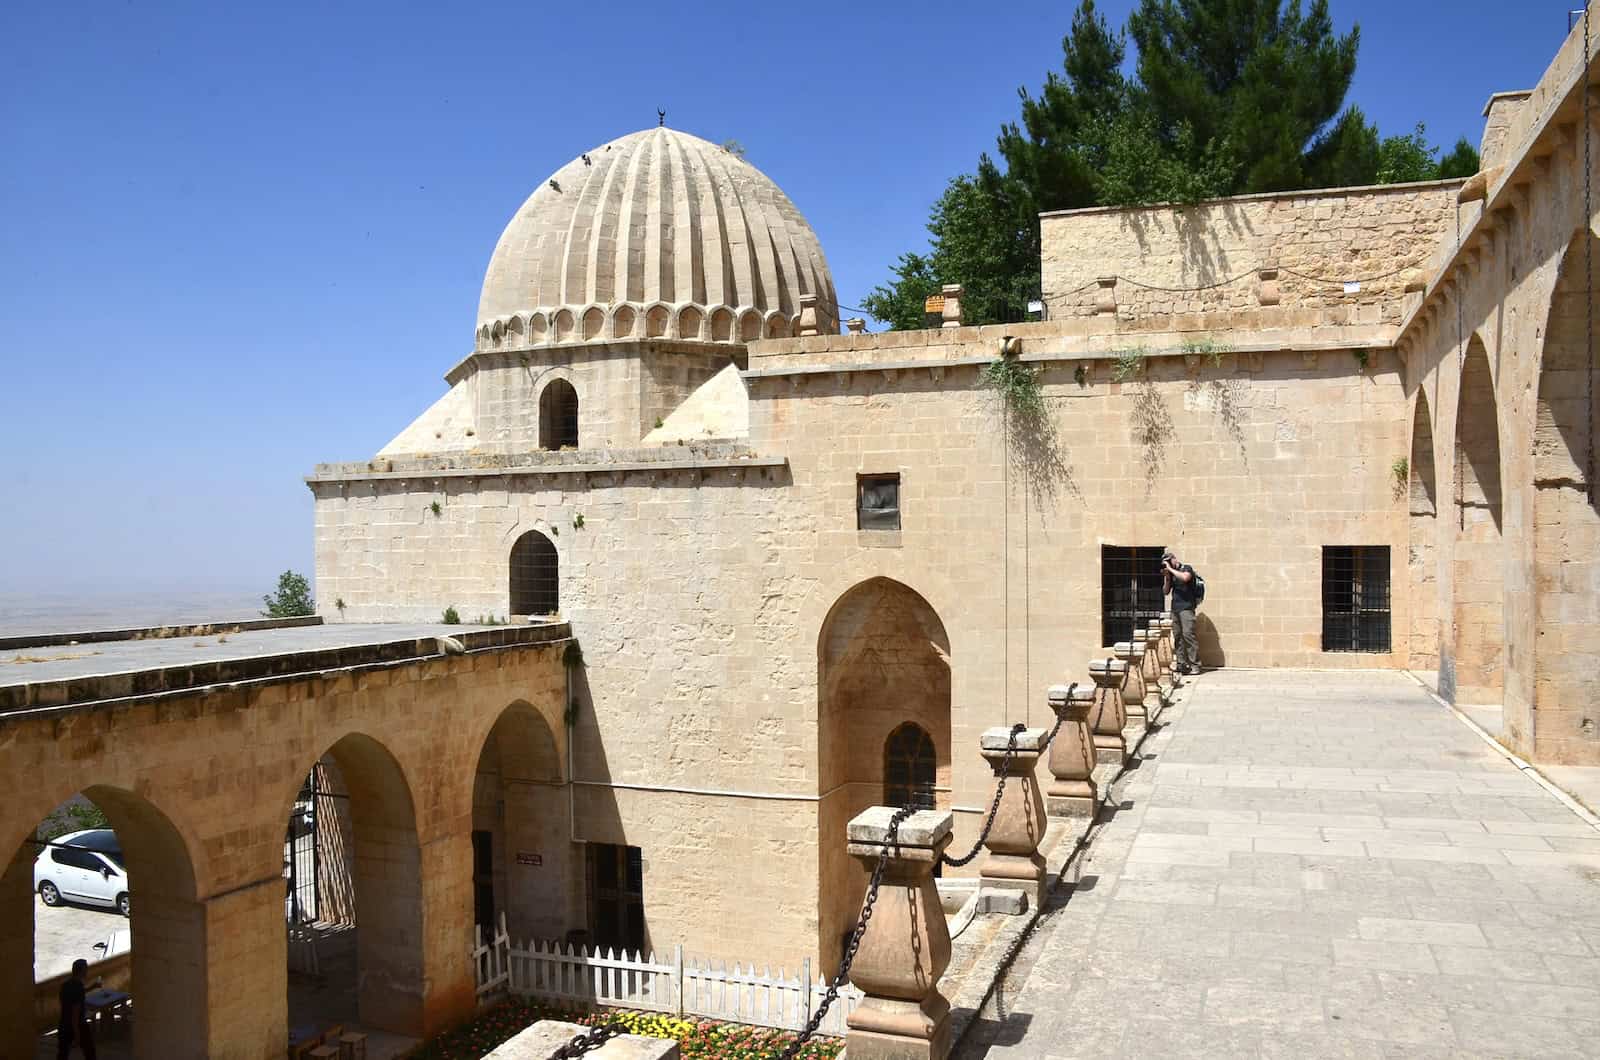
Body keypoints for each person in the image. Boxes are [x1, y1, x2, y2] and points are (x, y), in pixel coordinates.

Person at [1163, 550, 1200, 675]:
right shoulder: (1171, 574)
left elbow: (1185, 578)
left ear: (1174, 559)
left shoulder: (1186, 568)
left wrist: (1171, 570)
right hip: (1175, 609)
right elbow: (1165, 591)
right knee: (1178, 636)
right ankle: (1181, 663)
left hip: (1187, 608)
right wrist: (1167, 578)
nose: (1167, 564)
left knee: (1188, 635)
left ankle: (1195, 665)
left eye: (1169, 561)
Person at [57, 958, 97, 1059]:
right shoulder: (78, 987)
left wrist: (92, 987)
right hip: (78, 1025)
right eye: (86, 969)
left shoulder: (66, 985)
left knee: (62, 1054)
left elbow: (73, 997)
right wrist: (77, 1034)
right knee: (90, 1052)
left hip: (63, 1024)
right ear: (82, 971)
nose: (87, 971)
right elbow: (75, 1012)